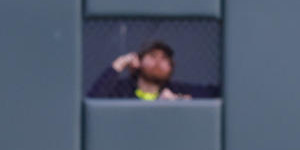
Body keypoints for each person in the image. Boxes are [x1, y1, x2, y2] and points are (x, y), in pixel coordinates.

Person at [86, 39, 220, 100]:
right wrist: (119, 64)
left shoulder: (177, 90)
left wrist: (182, 104)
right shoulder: (121, 90)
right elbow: (94, 99)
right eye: (152, 56)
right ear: (138, 61)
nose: (158, 62)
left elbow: (220, 94)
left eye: (165, 59)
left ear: (171, 67)